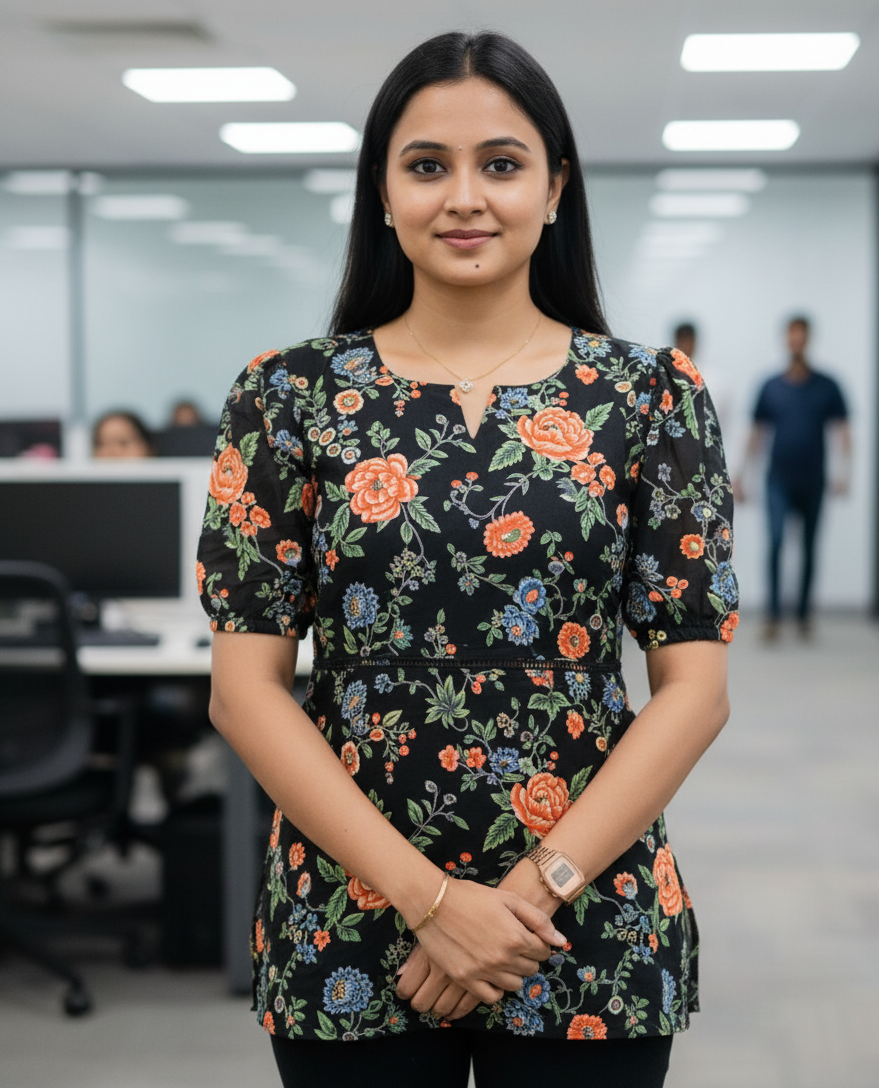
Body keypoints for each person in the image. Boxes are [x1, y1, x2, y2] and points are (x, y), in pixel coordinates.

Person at [197, 31, 736, 1088]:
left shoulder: (651, 394)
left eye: (501, 163)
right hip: (351, 903)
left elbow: (695, 689)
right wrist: (433, 902)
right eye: (427, 165)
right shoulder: (287, 395)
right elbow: (245, 690)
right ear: (383, 193)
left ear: (554, 187)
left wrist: (524, 897)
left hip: (584, 909)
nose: (465, 197)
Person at [738, 316, 850, 639]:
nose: (796, 342)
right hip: (778, 481)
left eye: (801, 337)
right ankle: (773, 615)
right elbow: (757, 433)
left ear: (808, 340)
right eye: (792, 337)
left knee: (810, 547)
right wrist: (742, 474)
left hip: (814, 480)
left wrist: (844, 472)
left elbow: (843, 431)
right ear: (786, 340)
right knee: (775, 542)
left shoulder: (827, 386)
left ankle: (802, 614)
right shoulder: (770, 386)